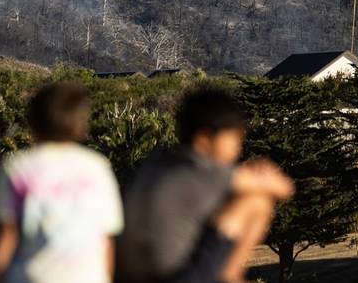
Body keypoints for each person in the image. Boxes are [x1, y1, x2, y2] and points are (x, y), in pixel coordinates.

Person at [117, 87, 294, 283]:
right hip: (179, 278)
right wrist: (260, 172)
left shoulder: (157, 161)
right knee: (256, 201)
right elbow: (284, 188)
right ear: (204, 139)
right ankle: (230, 277)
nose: (239, 144)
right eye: (234, 136)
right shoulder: (204, 172)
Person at [0, 81, 123, 283]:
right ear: (80, 126)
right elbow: (105, 239)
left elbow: (6, 235)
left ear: (33, 122)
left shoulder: (19, 167)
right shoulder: (98, 168)